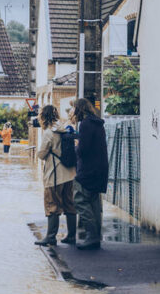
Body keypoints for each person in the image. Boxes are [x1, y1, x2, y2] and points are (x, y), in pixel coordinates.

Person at [34, 105, 77, 246]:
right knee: (69, 204)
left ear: (43, 117)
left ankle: (51, 237)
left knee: (52, 205)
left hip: (54, 175)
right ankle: (71, 236)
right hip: (69, 174)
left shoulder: (48, 133)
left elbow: (41, 154)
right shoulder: (64, 128)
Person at [71, 99, 109, 250]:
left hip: (88, 170)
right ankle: (95, 237)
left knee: (79, 199)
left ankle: (91, 235)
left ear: (79, 110)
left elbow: (83, 150)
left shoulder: (85, 124)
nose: (72, 113)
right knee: (94, 202)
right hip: (100, 169)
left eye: (74, 109)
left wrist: (76, 146)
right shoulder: (98, 124)